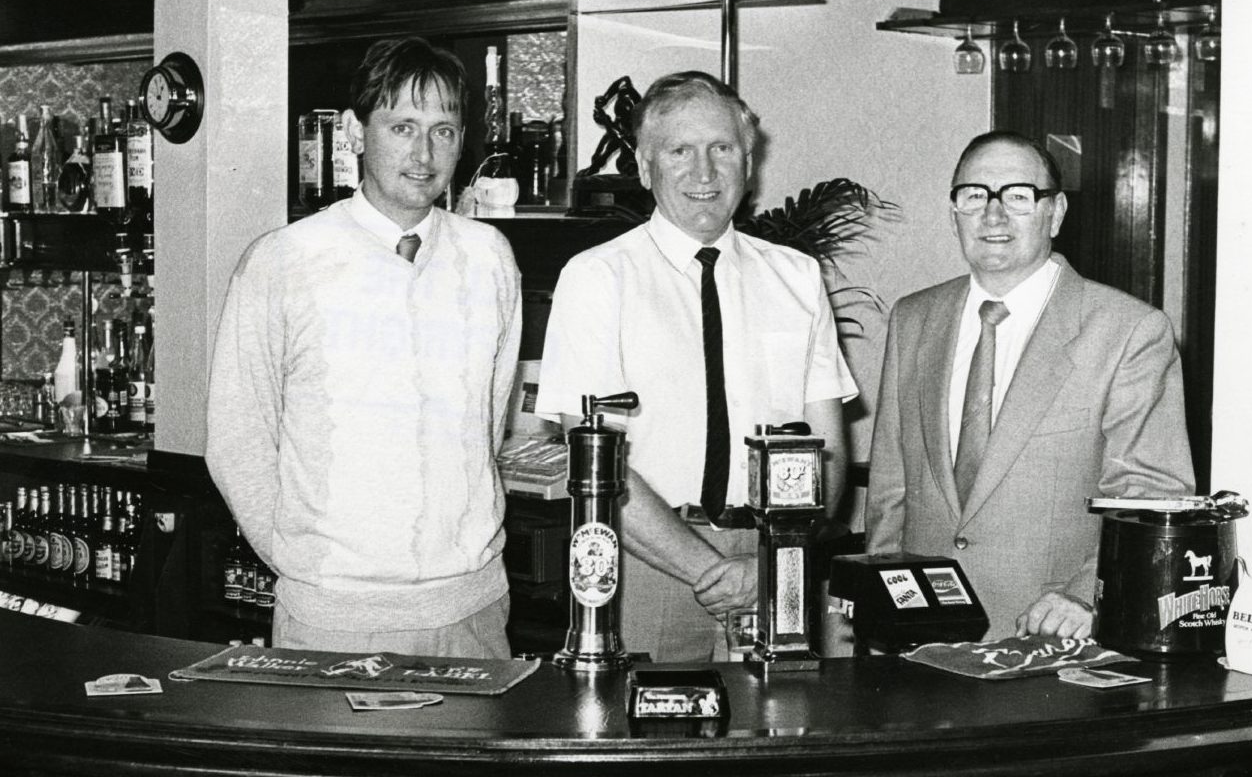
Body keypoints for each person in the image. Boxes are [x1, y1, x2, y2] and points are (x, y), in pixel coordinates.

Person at [206, 37, 522, 657]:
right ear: (355, 131)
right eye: (402, 126)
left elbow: (486, 424)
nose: (424, 154)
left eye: (444, 131)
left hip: (474, 611)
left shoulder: (489, 259)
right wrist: (312, 561)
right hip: (333, 618)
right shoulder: (285, 261)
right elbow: (236, 436)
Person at [536, 71, 857, 662]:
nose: (704, 173)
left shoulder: (797, 277)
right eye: (680, 151)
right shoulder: (598, 279)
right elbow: (596, 460)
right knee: (646, 746)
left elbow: (827, 451)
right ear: (643, 165)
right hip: (648, 568)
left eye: (722, 149)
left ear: (749, 160)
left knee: (778, 740)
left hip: (778, 565)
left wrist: (773, 564)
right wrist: (710, 569)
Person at [865, 130, 1194, 642]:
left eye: (1018, 196)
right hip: (917, 640)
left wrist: (1086, 594)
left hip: (1049, 637)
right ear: (954, 210)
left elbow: (1150, 496)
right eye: (974, 195)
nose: (993, 216)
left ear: (1055, 213)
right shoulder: (913, 319)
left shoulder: (1127, 330)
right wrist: (880, 611)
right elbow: (891, 490)